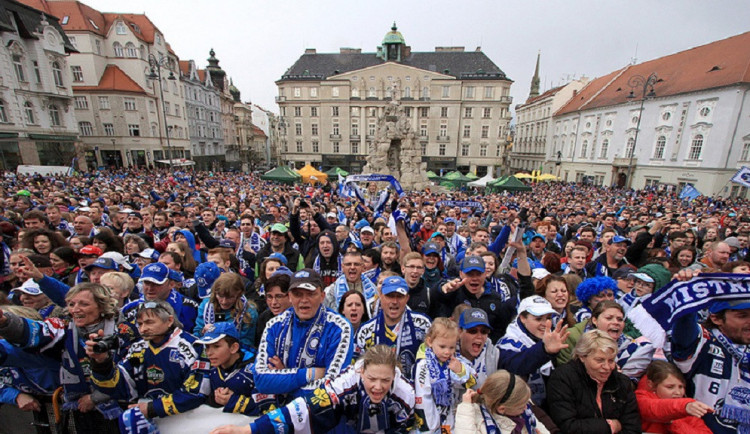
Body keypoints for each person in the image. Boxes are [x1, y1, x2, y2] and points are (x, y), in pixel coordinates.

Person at [0, 283, 126, 433]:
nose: (75, 309)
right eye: (71, 304)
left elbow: (131, 374)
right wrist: (6, 323)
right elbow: (37, 333)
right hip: (81, 412)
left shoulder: (125, 331)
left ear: (101, 306)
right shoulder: (64, 330)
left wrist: (95, 397)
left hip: (122, 410)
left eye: (84, 304)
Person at [210, 344, 414, 434]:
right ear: (362, 373)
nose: (378, 387)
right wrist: (248, 430)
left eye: (385, 380)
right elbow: (299, 410)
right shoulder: (345, 382)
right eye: (372, 379)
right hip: (346, 419)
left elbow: (409, 428)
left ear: (394, 377)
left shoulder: (406, 394)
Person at [86, 300, 211, 421]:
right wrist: (102, 361)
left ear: (169, 321)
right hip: (148, 420)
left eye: (149, 322)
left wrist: (153, 408)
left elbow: (196, 392)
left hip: (187, 420)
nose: (143, 329)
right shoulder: (137, 348)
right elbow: (119, 387)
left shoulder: (194, 346)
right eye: (140, 324)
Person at [252, 269, 353, 404]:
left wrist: (284, 384)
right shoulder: (274, 326)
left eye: (311, 294)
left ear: (322, 296)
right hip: (281, 415)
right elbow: (261, 380)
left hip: (321, 418)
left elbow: (332, 386)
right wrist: (311, 374)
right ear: (289, 296)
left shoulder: (339, 327)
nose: (304, 300)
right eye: (298, 294)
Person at [671, 297, 750, 433]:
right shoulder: (702, 342)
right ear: (716, 318)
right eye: (742, 316)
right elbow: (684, 323)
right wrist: (688, 290)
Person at [547, 329, 641, 434]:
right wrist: (609, 426)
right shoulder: (563, 378)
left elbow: (633, 428)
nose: (607, 367)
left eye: (611, 361)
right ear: (582, 356)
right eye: (599, 360)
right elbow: (567, 426)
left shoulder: (622, 382)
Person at [498, 295, 570, 407]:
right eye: (538, 319)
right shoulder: (508, 343)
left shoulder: (546, 338)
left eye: (548, 318)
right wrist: (544, 350)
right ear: (522, 318)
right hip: (517, 407)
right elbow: (516, 367)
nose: (545, 323)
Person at [355, 275, 431, 380]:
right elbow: (356, 367)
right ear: (380, 296)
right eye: (390, 296)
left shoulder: (423, 325)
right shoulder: (365, 331)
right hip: (378, 389)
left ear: (407, 298)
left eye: (399, 296)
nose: (394, 301)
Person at [557, 300, 655, 380]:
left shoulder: (629, 346)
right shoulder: (572, 337)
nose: (616, 322)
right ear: (594, 320)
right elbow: (565, 374)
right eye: (609, 318)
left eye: (620, 319)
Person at [198, 322, 275, 416]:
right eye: (207, 347)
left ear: (234, 348)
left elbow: (270, 409)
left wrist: (235, 401)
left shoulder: (257, 370)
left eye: (216, 346)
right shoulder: (211, 370)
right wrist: (216, 399)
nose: (209, 353)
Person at [414, 317, 475, 434]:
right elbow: (422, 399)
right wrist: (430, 429)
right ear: (430, 341)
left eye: (451, 347)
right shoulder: (423, 364)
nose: (447, 352)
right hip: (430, 423)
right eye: (442, 347)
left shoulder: (455, 360)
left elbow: (472, 381)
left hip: (450, 417)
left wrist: (460, 371)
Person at [455, 371, 549, 434]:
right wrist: (466, 408)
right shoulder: (477, 419)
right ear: (502, 409)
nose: (526, 407)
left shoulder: (526, 414)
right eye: (521, 406)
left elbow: (542, 429)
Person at [635, 360, 712, 434]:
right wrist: (683, 407)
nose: (678, 392)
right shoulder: (640, 398)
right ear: (651, 384)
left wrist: (674, 423)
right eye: (670, 387)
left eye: (681, 387)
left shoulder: (689, 410)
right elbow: (653, 408)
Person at [195, 272, 258, 350]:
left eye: (230, 297)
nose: (224, 301)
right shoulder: (205, 306)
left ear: (239, 294)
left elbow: (247, 342)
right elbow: (196, 334)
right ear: (215, 293)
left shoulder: (249, 312)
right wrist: (203, 331)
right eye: (220, 296)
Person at [455, 307, 499, 387]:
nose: (479, 336)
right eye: (473, 331)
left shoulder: (495, 355)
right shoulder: (445, 352)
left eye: (484, 331)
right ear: (460, 332)